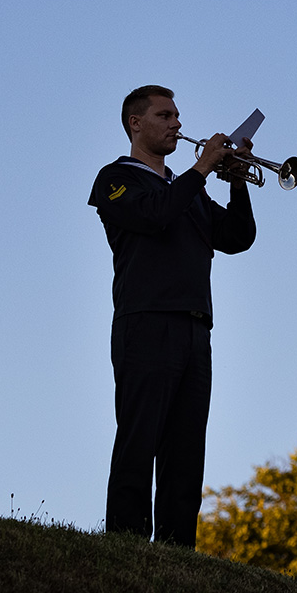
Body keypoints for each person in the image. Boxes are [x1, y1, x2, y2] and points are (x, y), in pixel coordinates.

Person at [88, 85, 257, 548]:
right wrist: (202, 168)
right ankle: (125, 543)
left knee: (186, 451)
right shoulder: (115, 179)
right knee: (139, 438)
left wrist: (237, 179)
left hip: (195, 328)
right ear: (135, 124)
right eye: (165, 116)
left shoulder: (187, 190)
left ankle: (177, 552)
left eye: (178, 116)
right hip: (145, 322)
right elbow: (156, 216)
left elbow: (238, 237)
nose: (177, 124)